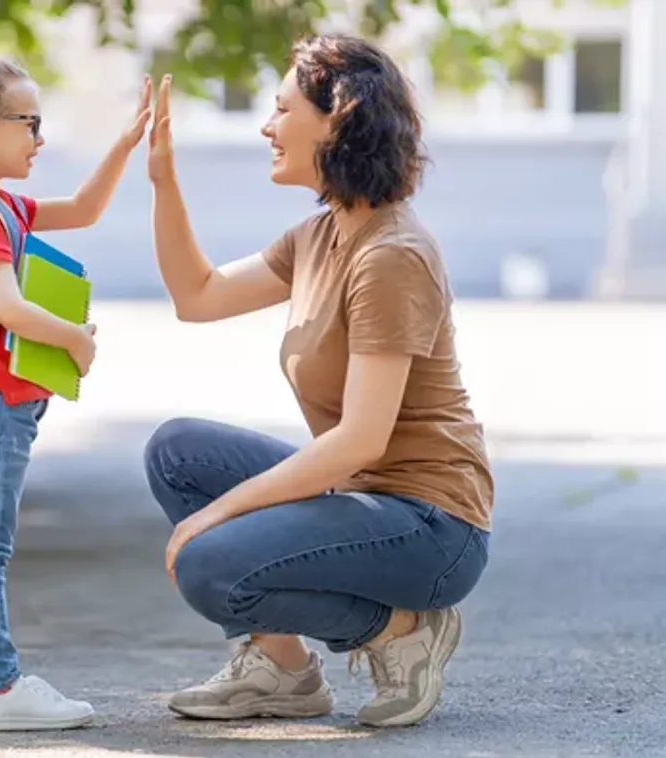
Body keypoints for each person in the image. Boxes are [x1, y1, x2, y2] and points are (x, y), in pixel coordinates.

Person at [142, 34, 494, 729]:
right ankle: (282, 670)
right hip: (366, 498)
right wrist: (163, 181)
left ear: (337, 119)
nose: (266, 126)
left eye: (280, 109)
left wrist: (216, 514)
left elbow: (357, 440)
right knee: (177, 451)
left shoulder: (392, 255)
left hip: (431, 526)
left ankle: (400, 629)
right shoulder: (318, 236)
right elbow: (198, 295)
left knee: (209, 564)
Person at [0, 53, 152, 731]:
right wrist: (75, 340)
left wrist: (125, 142)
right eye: (29, 123)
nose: (39, 139)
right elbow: (8, 308)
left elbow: (82, 209)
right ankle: (0, 685)